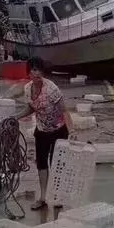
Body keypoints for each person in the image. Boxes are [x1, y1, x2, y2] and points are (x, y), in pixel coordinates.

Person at [19, 57, 73, 211]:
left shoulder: (52, 89)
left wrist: (72, 130)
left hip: (58, 130)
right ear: (29, 72)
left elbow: (64, 111)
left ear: (43, 72)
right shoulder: (27, 89)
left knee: (57, 164)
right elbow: (31, 108)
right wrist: (15, 116)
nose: (36, 73)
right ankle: (43, 197)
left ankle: (57, 196)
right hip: (41, 130)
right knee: (42, 164)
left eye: (38, 70)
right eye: (33, 70)